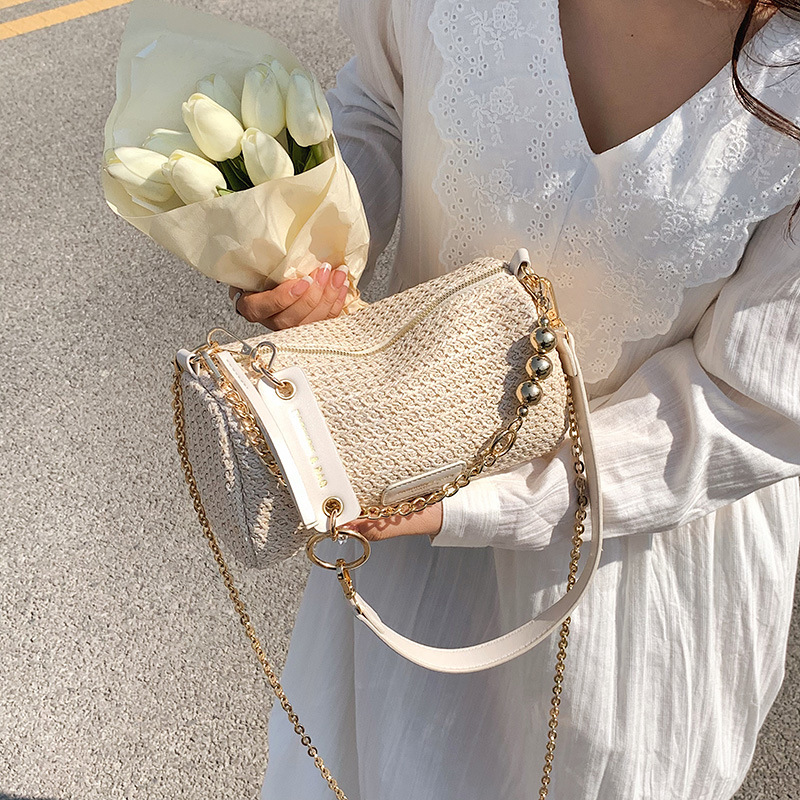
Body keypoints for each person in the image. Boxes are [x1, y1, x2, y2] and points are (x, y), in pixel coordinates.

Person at [235, 0, 800, 797]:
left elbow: (745, 405)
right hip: (406, 496)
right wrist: (301, 247)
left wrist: (474, 502)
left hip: (632, 576)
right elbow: (384, 102)